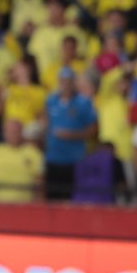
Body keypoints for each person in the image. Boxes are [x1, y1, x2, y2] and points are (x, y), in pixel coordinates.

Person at [42, 67, 97, 200]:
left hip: (74, 159)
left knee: (72, 198)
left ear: (73, 82)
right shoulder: (51, 100)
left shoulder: (83, 102)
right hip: (53, 158)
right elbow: (46, 123)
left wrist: (72, 135)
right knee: (53, 198)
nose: (65, 85)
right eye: (63, 81)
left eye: (69, 81)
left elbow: (93, 130)